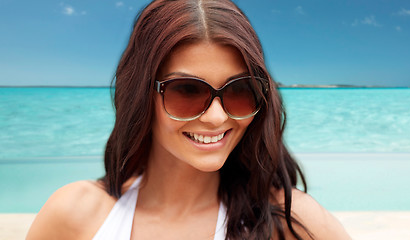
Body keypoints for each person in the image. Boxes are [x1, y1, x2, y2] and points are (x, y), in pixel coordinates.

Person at [26, 0, 350, 239]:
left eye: (239, 90)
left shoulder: (291, 223)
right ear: (141, 94)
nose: (217, 116)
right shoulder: (74, 215)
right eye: (187, 90)